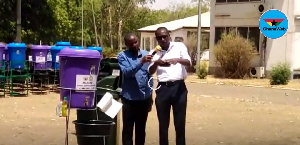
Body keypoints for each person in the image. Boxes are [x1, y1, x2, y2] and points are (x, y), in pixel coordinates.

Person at [148, 27, 191, 145]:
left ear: (169, 35)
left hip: (179, 88)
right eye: (159, 37)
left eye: (165, 36)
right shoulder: (154, 52)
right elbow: (150, 71)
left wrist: (177, 60)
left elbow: (188, 62)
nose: (163, 39)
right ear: (156, 39)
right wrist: (156, 63)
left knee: (180, 123)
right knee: (163, 125)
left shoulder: (179, 46)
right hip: (163, 89)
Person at [117, 32, 153, 145]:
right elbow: (127, 73)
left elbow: (149, 77)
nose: (135, 45)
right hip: (129, 99)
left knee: (141, 130)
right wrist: (140, 62)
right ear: (126, 45)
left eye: (136, 42)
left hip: (144, 99)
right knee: (128, 129)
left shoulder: (146, 54)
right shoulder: (122, 56)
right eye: (131, 43)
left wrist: (150, 96)